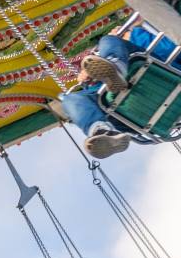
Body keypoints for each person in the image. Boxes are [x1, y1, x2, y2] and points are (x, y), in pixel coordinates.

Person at [50, 12, 179, 158]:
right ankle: (104, 132)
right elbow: (171, 49)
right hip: (156, 86)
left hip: (131, 106)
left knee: (70, 99)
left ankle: (100, 127)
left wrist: (132, 35)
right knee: (109, 41)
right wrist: (133, 34)